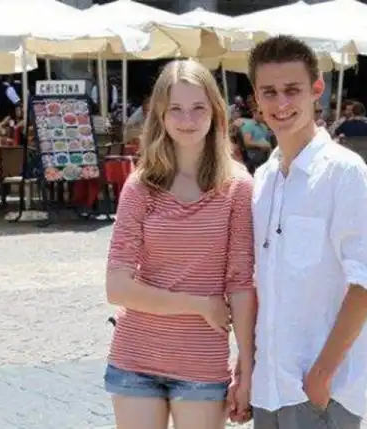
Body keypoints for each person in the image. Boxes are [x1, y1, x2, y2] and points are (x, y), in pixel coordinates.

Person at [245, 35, 367, 429]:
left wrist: (322, 376)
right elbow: (263, 283)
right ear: (256, 98)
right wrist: (248, 368)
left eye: (292, 90)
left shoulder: (344, 174)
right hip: (270, 388)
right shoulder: (263, 181)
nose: (281, 103)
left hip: (319, 394)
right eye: (269, 92)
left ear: (316, 89)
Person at [103, 59, 256, 429]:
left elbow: (241, 283)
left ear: (216, 112)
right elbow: (117, 288)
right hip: (135, 358)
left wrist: (248, 366)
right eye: (176, 109)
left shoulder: (237, 188)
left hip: (202, 362)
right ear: (161, 115)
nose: (187, 120)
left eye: (198, 107)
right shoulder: (141, 187)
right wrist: (199, 304)